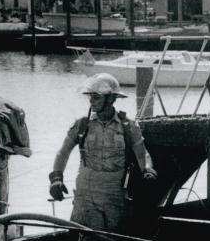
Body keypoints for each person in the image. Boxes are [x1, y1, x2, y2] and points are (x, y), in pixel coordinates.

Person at [50, 73, 156, 231]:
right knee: (79, 234)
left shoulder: (128, 127)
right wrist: (56, 178)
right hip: (84, 193)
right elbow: (63, 152)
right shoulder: (82, 125)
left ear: (111, 99)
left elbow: (142, 154)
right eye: (90, 97)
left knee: (109, 239)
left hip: (113, 193)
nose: (91, 101)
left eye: (96, 97)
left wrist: (148, 170)